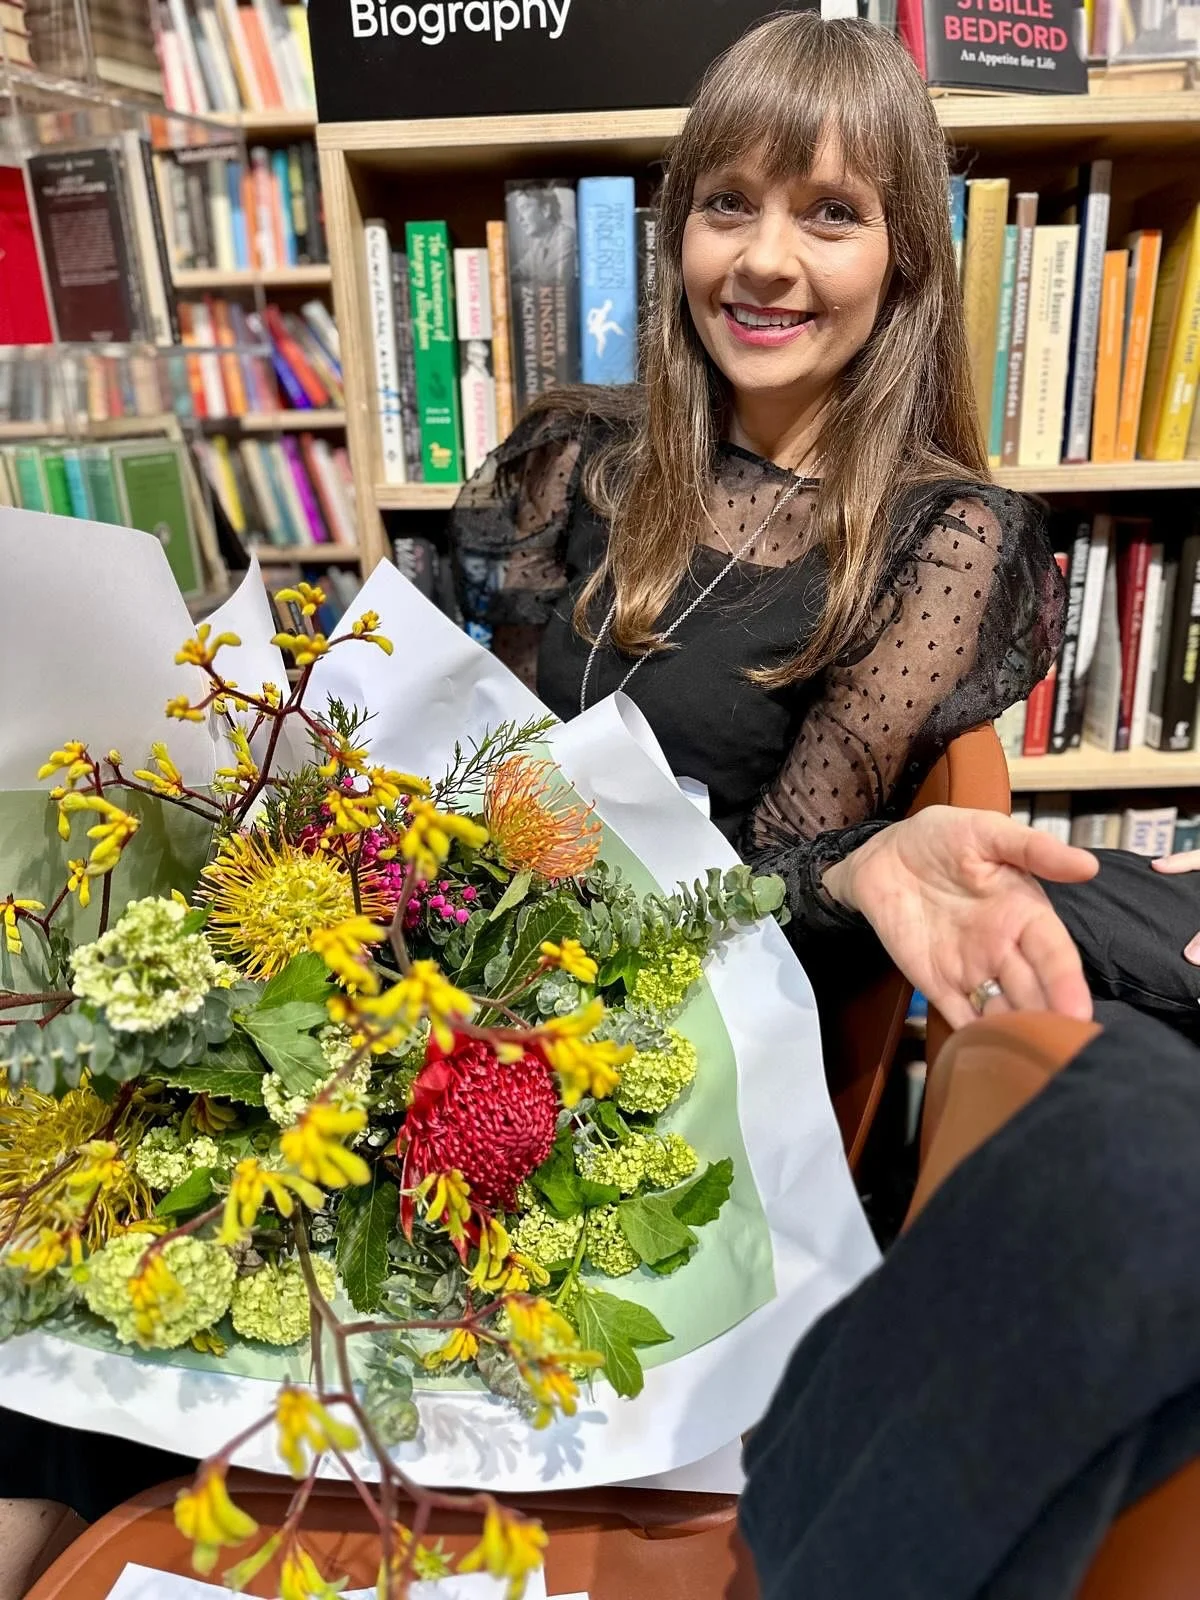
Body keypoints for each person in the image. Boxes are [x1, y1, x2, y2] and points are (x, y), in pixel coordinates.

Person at [450, 10, 1098, 1033]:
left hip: (678, 1029)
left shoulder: (943, 540)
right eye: (729, 203)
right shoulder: (566, 452)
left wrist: (864, 867)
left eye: (830, 212)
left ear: (906, 260)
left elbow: (768, 890)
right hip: (467, 960)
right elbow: (465, 724)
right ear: (681, 233)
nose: (763, 259)